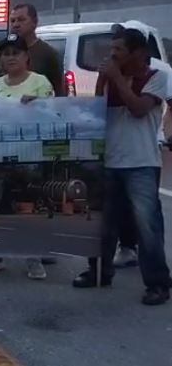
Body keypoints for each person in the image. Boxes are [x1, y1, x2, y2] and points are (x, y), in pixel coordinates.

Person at [73, 26, 171, 306]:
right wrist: (103, 83)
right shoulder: (112, 79)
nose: (113, 56)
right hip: (110, 161)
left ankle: (157, 283)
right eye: (111, 50)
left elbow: (139, 109)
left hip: (141, 162)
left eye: (119, 51)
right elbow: (97, 112)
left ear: (138, 53)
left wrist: (117, 79)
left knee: (147, 226)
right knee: (102, 223)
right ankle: (100, 271)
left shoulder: (156, 77)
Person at [0, 38, 54, 280]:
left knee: (26, 207)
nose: (10, 58)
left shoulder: (40, 82)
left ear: (26, 56)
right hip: (0, 155)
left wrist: (37, 105)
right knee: (0, 207)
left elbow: (55, 113)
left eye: (15, 53)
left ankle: (33, 257)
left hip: (30, 154)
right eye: (6, 54)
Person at [0, 4, 66, 96]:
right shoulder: (0, 52)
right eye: (12, 21)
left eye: (21, 20)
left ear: (35, 22)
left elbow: (59, 91)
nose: (16, 24)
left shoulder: (49, 54)